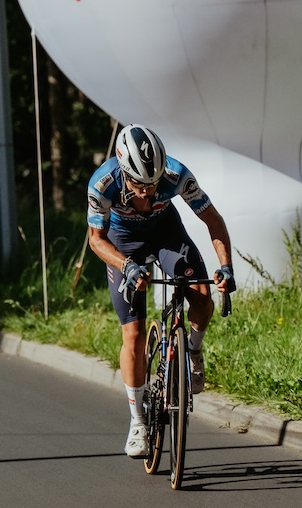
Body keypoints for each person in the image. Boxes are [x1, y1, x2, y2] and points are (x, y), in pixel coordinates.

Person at [85, 124, 236, 458]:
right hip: (122, 243)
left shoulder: (176, 175)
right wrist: (126, 266)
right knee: (134, 335)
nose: (149, 193)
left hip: (166, 233)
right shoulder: (102, 184)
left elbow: (214, 221)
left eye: (154, 185)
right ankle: (137, 420)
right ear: (124, 173)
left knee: (200, 294)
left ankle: (193, 351)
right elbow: (96, 240)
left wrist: (226, 266)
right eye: (140, 185)